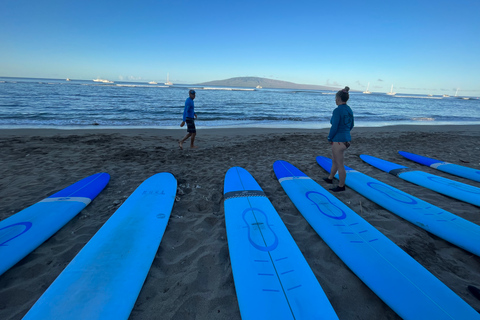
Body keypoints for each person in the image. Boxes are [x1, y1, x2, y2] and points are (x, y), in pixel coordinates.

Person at [324, 86, 354, 192]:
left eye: (335, 98)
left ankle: (341, 186)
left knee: (340, 164)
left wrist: (329, 137)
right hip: (346, 140)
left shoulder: (337, 111)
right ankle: (330, 178)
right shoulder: (349, 110)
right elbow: (351, 125)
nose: (335, 100)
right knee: (335, 160)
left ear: (338, 99)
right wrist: (345, 133)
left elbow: (334, 126)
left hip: (338, 141)